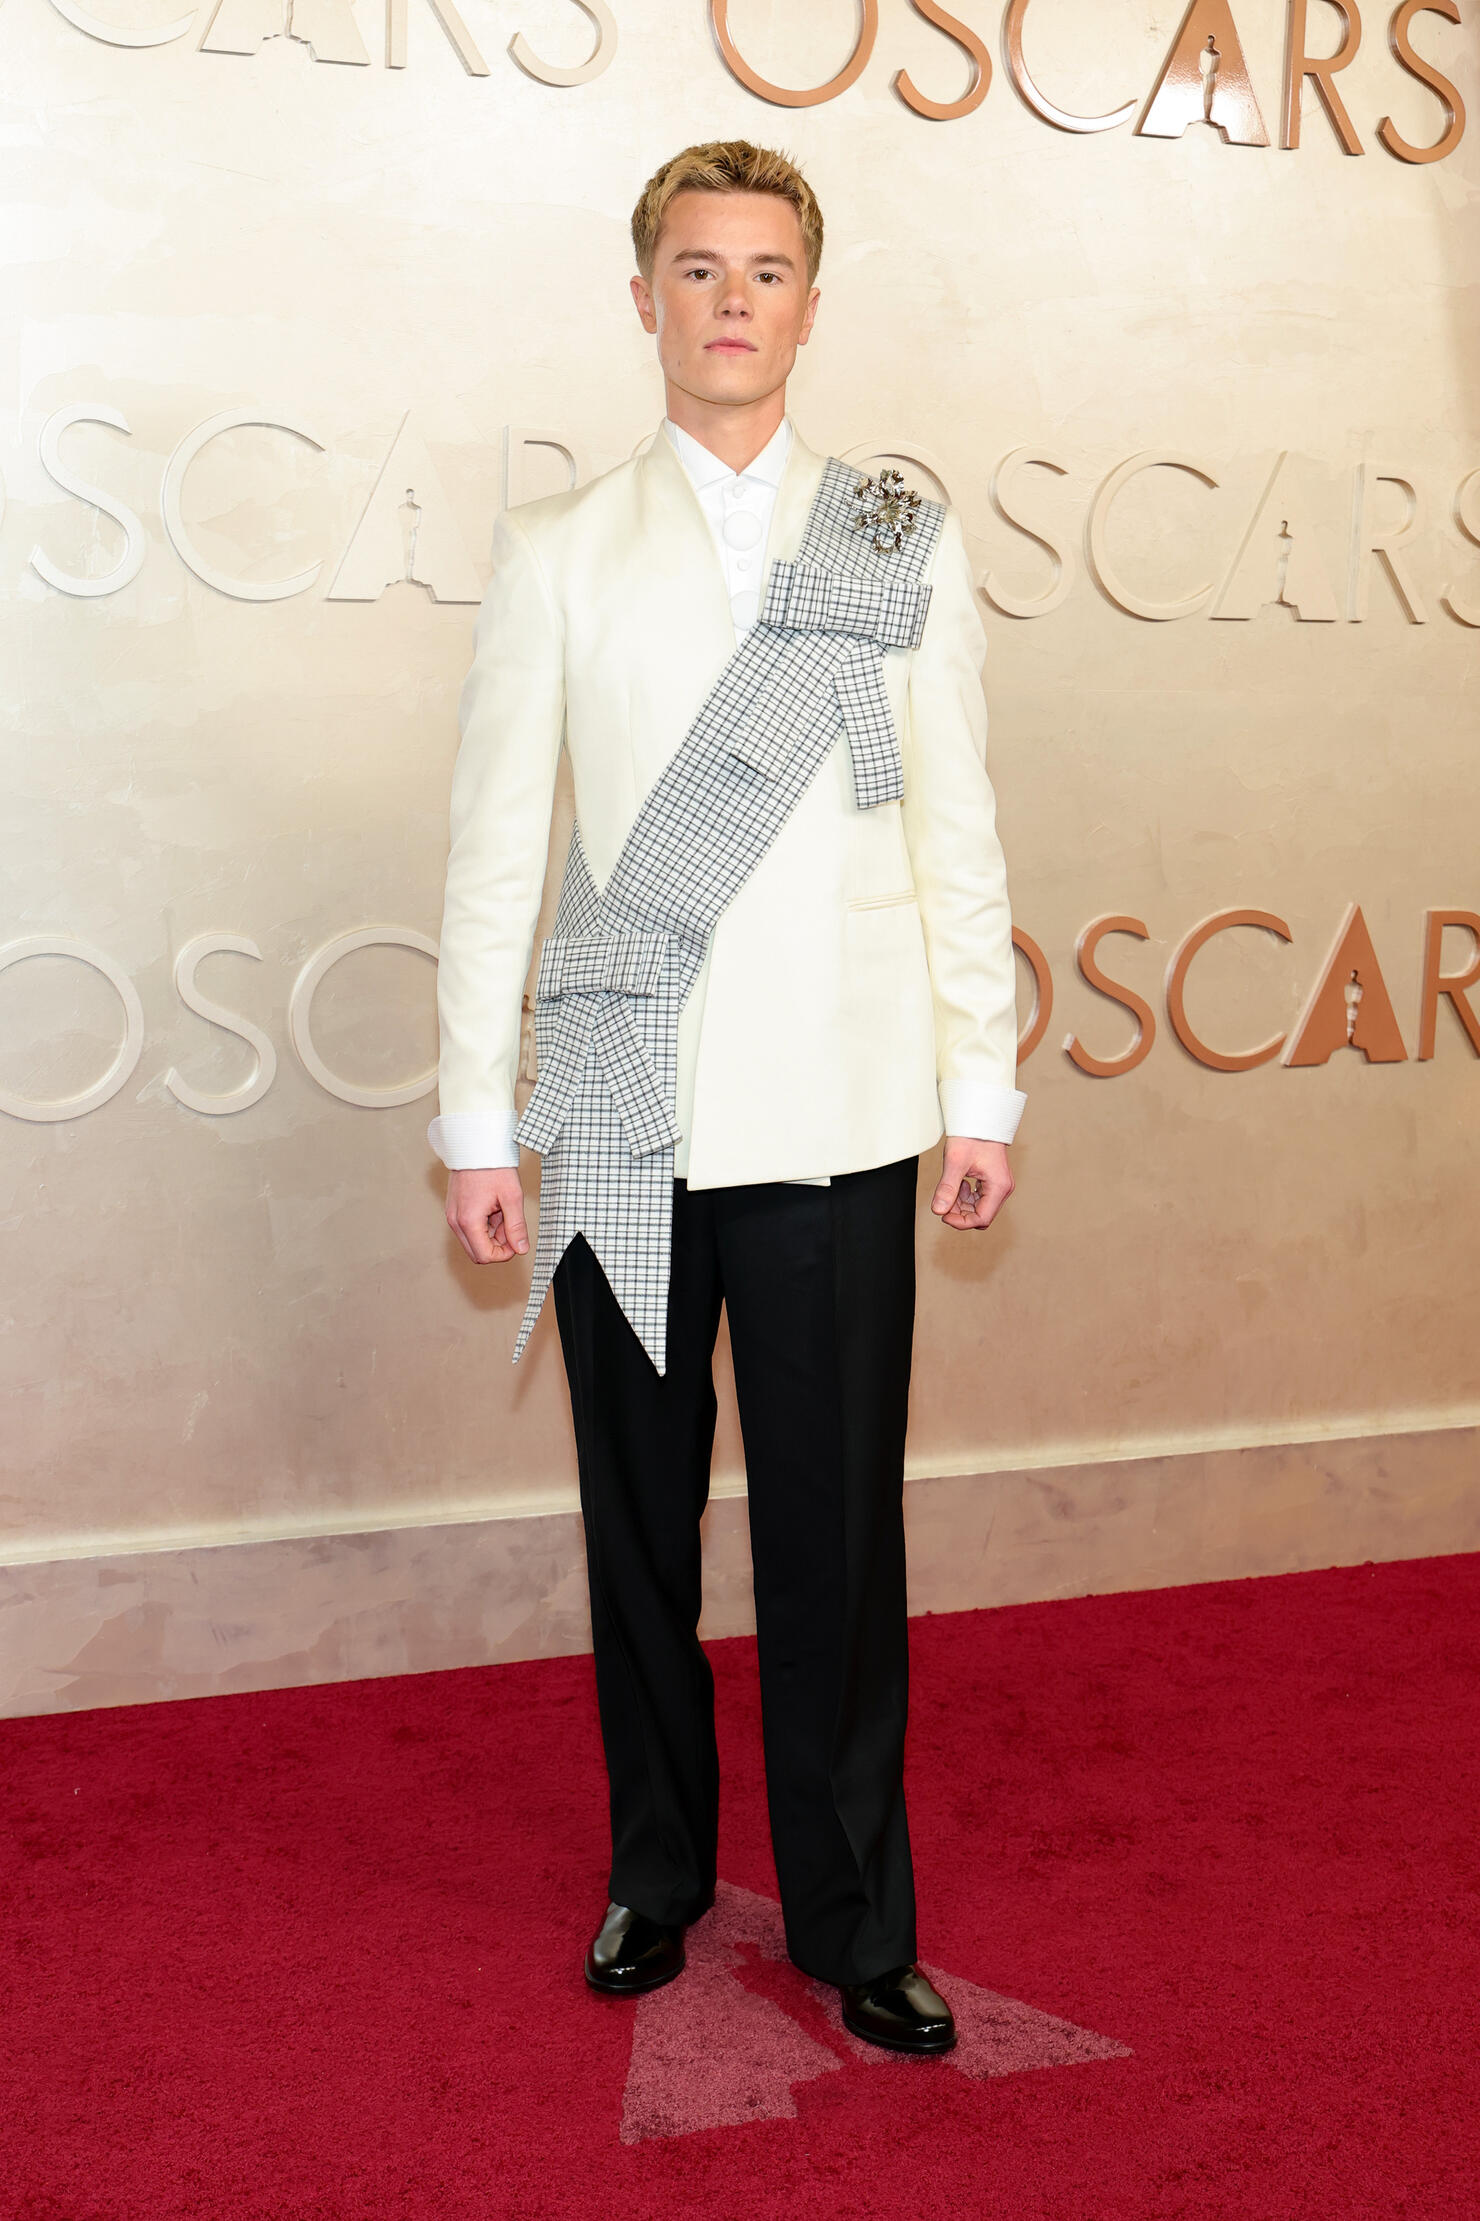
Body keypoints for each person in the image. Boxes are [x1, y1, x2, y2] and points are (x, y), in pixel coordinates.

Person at [428, 140, 1024, 2056]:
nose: (733, 301)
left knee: (841, 1539)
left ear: (811, 306)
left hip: (843, 1114)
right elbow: (495, 853)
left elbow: (957, 826)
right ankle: (656, 1871)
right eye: (697, 269)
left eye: (766, 271)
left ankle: (856, 1919)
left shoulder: (895, 538)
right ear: (644, 300)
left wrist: (981, 1082)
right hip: (627, 1104)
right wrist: (475, 1119)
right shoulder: (558, 551)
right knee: (639, 1529)